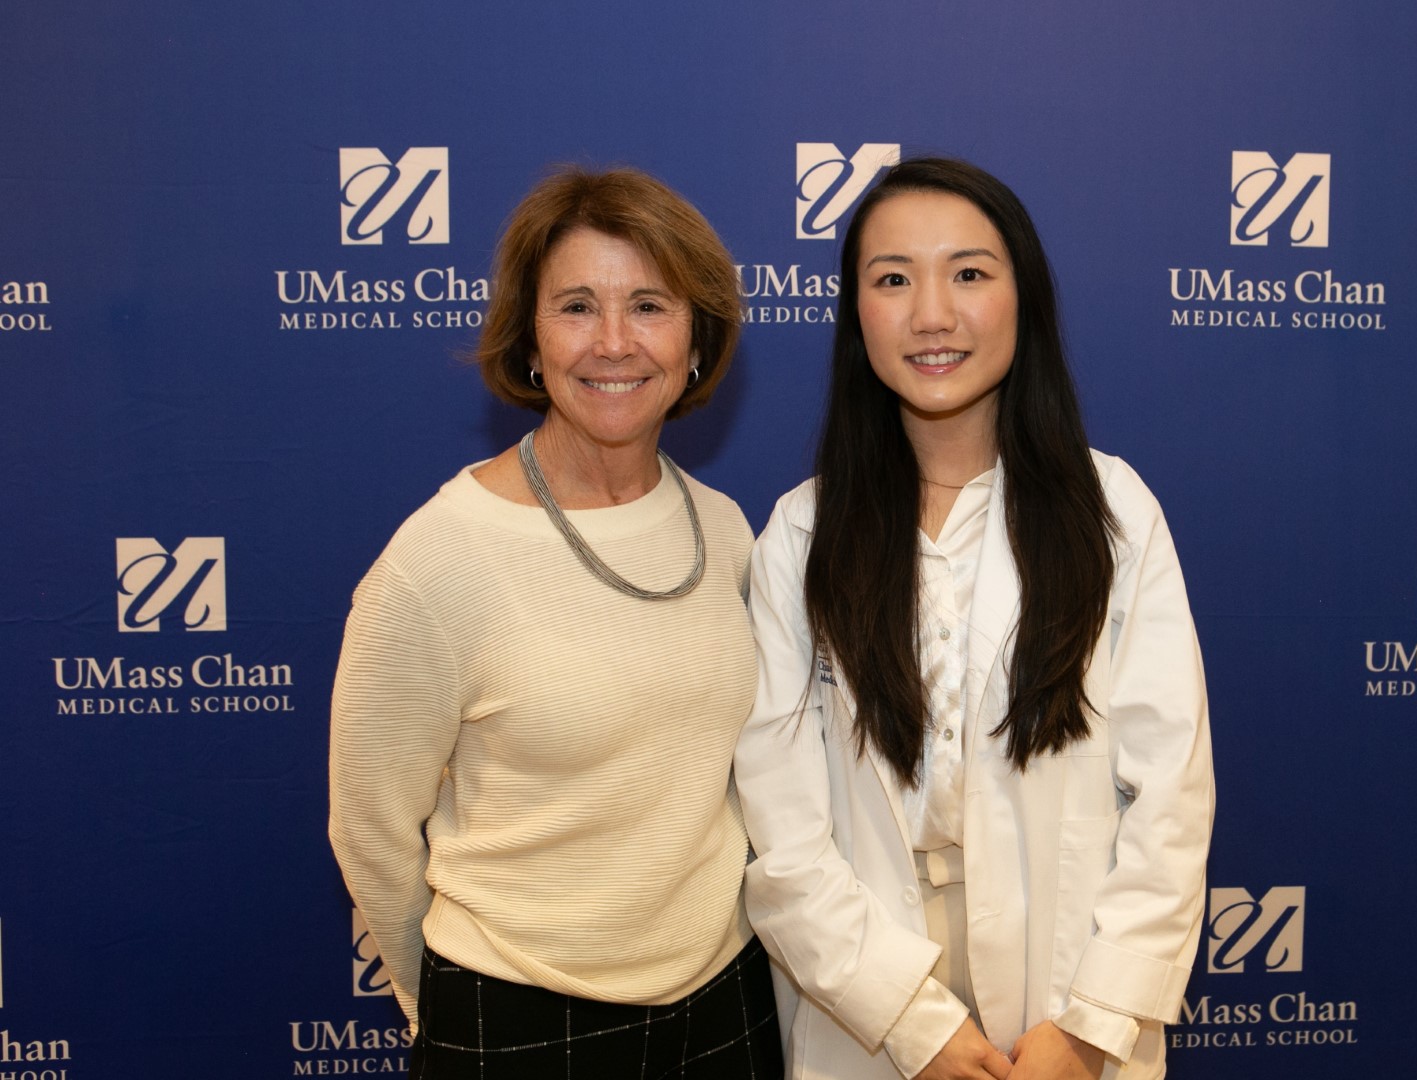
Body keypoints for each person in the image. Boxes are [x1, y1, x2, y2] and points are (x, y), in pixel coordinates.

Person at [735, 158, 1213, 1080]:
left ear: (1022, 297)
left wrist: (1091, 1025)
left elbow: (1171, 794)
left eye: (968, 273)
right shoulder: (802, 533)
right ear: (856, 314)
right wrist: (914, 1026)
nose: (932, 315)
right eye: (892, 279)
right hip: (867, 1008)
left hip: (1067, 1001)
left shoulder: (1113, 511)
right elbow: (782, 831)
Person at [330, 166, 780, 1079]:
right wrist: (448, 1017)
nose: (614, 342)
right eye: (577, 306)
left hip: (729, 1004)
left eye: (648, 305)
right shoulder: (438, 558)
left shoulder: (727, 527)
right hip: (515, 1019)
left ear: (696, 339)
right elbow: (370, 830)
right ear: (530, 341)